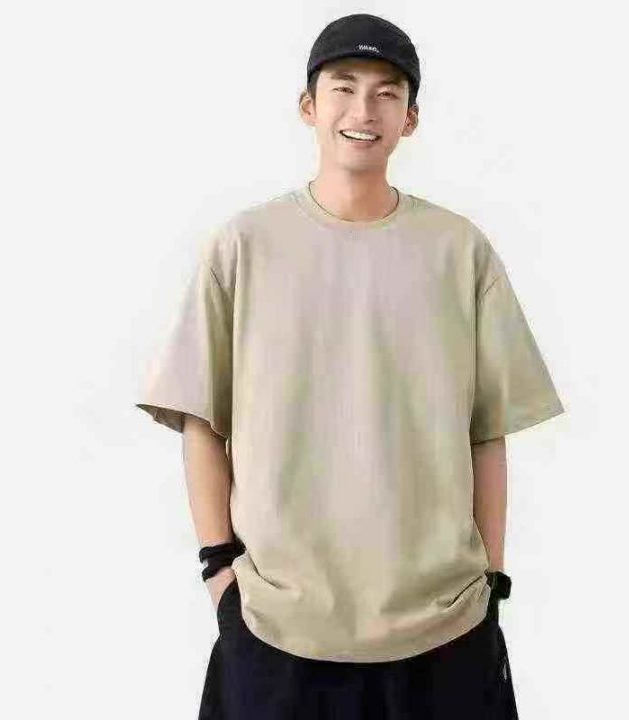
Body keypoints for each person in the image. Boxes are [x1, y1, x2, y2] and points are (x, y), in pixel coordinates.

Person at [135, 12, 564, 719]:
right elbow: (199, 420)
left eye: (387, 93)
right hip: (277, 625)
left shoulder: (460, 252)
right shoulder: (243, 247)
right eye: (344, 87)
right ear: (309, 106)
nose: (363, 110)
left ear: (410, 119)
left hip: (443, 624)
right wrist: (219, 571)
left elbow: (487, 431)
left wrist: (491, 582)